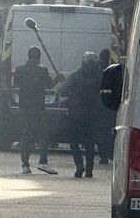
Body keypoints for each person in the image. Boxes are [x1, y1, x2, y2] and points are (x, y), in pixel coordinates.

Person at [14, 46, 58, 175]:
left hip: (24, 107)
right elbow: (49, 85)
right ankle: (43, 161)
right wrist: (57, 79)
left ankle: (25, 164)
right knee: (42, 134)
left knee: (25, 135)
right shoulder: (42, 71)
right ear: (39, 57)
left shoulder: (20, 70)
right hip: (38, 107)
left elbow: (16, 83)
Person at [58, 51, 103, 178]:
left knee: (73, 140)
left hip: (75, 113)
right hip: (91, 114)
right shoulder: (99, 78)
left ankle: (79, 165)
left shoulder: (75, 76)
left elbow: (62, 90)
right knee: (89, 141)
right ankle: (89, 169)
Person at [94, 48, 119, 164]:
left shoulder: (97, 72)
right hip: (111, 107)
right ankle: (111, 154)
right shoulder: (114, 71)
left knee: (101, 132)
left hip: (100, 106)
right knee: (111, 131)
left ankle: (103, 156)